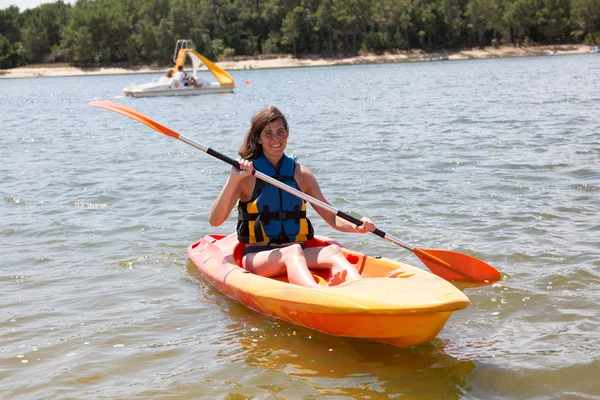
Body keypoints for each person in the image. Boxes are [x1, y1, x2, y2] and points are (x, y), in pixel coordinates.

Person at [209, 106, 376, 288]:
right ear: (258, 138)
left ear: (287, 134)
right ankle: (317, 293)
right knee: (292, 252)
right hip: (258, 255)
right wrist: (233, 180)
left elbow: (332, 217)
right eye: (268, 133)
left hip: (299, 251)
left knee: (333, 252)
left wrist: (358, 226)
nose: (276, 139)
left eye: (280, 132)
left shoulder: (301, 174)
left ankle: (360, 289)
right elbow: (215, 221)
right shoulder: (246, 177)